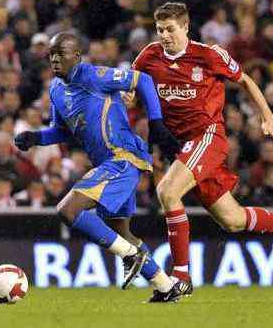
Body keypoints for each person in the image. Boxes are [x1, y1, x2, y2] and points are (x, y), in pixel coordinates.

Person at [130, 2, 273, 297]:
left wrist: (268, 118)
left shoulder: (208, 55)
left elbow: (245, 80)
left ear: (185, 27)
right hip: (182, 148)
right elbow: (133, 89)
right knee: (232, 220)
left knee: (168, 192)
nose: (165, 36)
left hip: (208, 137)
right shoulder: (149, 55)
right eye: (160, 30)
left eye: (170, 29)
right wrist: (127, 97)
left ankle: (180, 277)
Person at [14, 32, 184, 302]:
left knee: (68, 210)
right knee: (120, 233)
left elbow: (142, 80)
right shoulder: (56, 89)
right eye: (52, 55)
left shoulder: (94, 75)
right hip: (108, 164)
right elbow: (63, 131)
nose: (55, 59)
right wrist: (36, 138)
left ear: (77, 56)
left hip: (123, 157)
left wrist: (156, 123)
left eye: (61, 53)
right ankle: (165, 287)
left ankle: (131, 255)